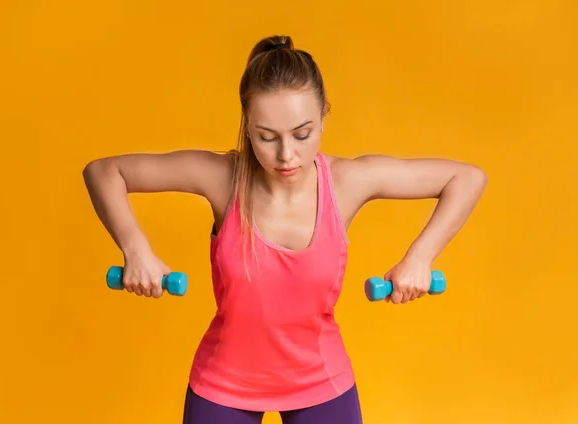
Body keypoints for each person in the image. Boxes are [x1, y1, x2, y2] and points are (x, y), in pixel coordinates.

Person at [83, 35, 487, 424]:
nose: (286, 154)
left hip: (321, 382)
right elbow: (104, 172)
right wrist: (135, 249)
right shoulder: (224, 178)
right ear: (247, 125)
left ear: (324, 114)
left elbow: (466, 179)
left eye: (302, 133)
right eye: (265, 137)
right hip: (223, 383)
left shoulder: (347, 182)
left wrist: (419, 258)